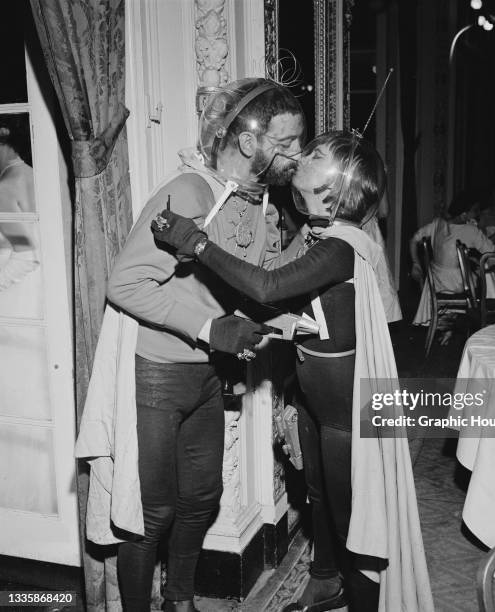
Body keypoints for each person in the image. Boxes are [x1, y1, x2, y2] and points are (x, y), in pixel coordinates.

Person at [151, 131, 434, 612]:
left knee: (354, 521)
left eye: (317, 155)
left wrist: (196, 243)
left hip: (346, 417)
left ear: (338, 186)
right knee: (319, 498)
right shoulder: (318, 236)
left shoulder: (341, 246)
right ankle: (326, 580)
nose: (304, 156)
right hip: (313, 400)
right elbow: (259, 277)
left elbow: (266, 286)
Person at [75, 78, 306, 612]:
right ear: (250, 144)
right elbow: (125, 284)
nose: (295, 154)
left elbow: (249, 280)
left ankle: (179, 601)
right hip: (157, 375)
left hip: (206, 376)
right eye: (286, 143)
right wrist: (208, 329)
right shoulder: (191, 193)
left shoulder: (256, 200)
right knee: (149, 513)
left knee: (201, 499)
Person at [410, 194, 495, 332]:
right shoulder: (470, 231)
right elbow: (494, 252)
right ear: (464, 214)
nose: (477, 214)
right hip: (454, 285)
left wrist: (416, 264)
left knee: (475, 269)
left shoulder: (437, 224)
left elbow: (413, 239)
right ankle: (480, 322)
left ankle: (452, 323)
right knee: (484, 278)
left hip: (434, 282)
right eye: (475, 210)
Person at [0, 115, 38, 291]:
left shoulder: (5, 187)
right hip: (35, 287)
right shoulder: (32, 173)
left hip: (14, 293)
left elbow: (25, 257)